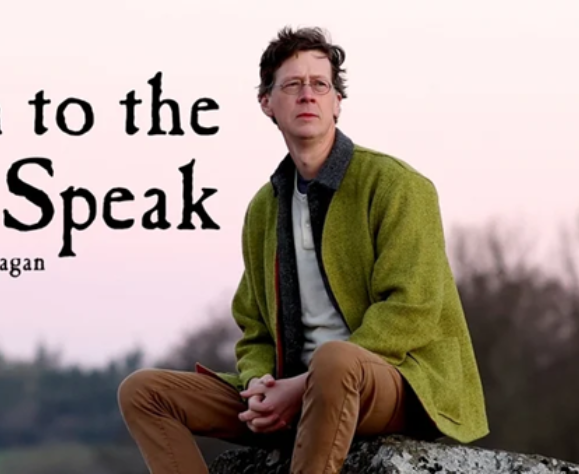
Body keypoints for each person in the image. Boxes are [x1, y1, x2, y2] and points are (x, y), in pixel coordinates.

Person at [117, 26, 489, 474]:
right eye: (292, 85)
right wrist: (260, 384)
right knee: (143, 390)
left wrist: (303, 386)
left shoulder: (395, 186)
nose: (307, 95)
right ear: (267, 103)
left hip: (390, 382)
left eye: (320, 84)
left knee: (335, 359)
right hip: (292, 388)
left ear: (337, 102)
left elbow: (413, 309)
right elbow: (254, 328)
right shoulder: (263, 208)